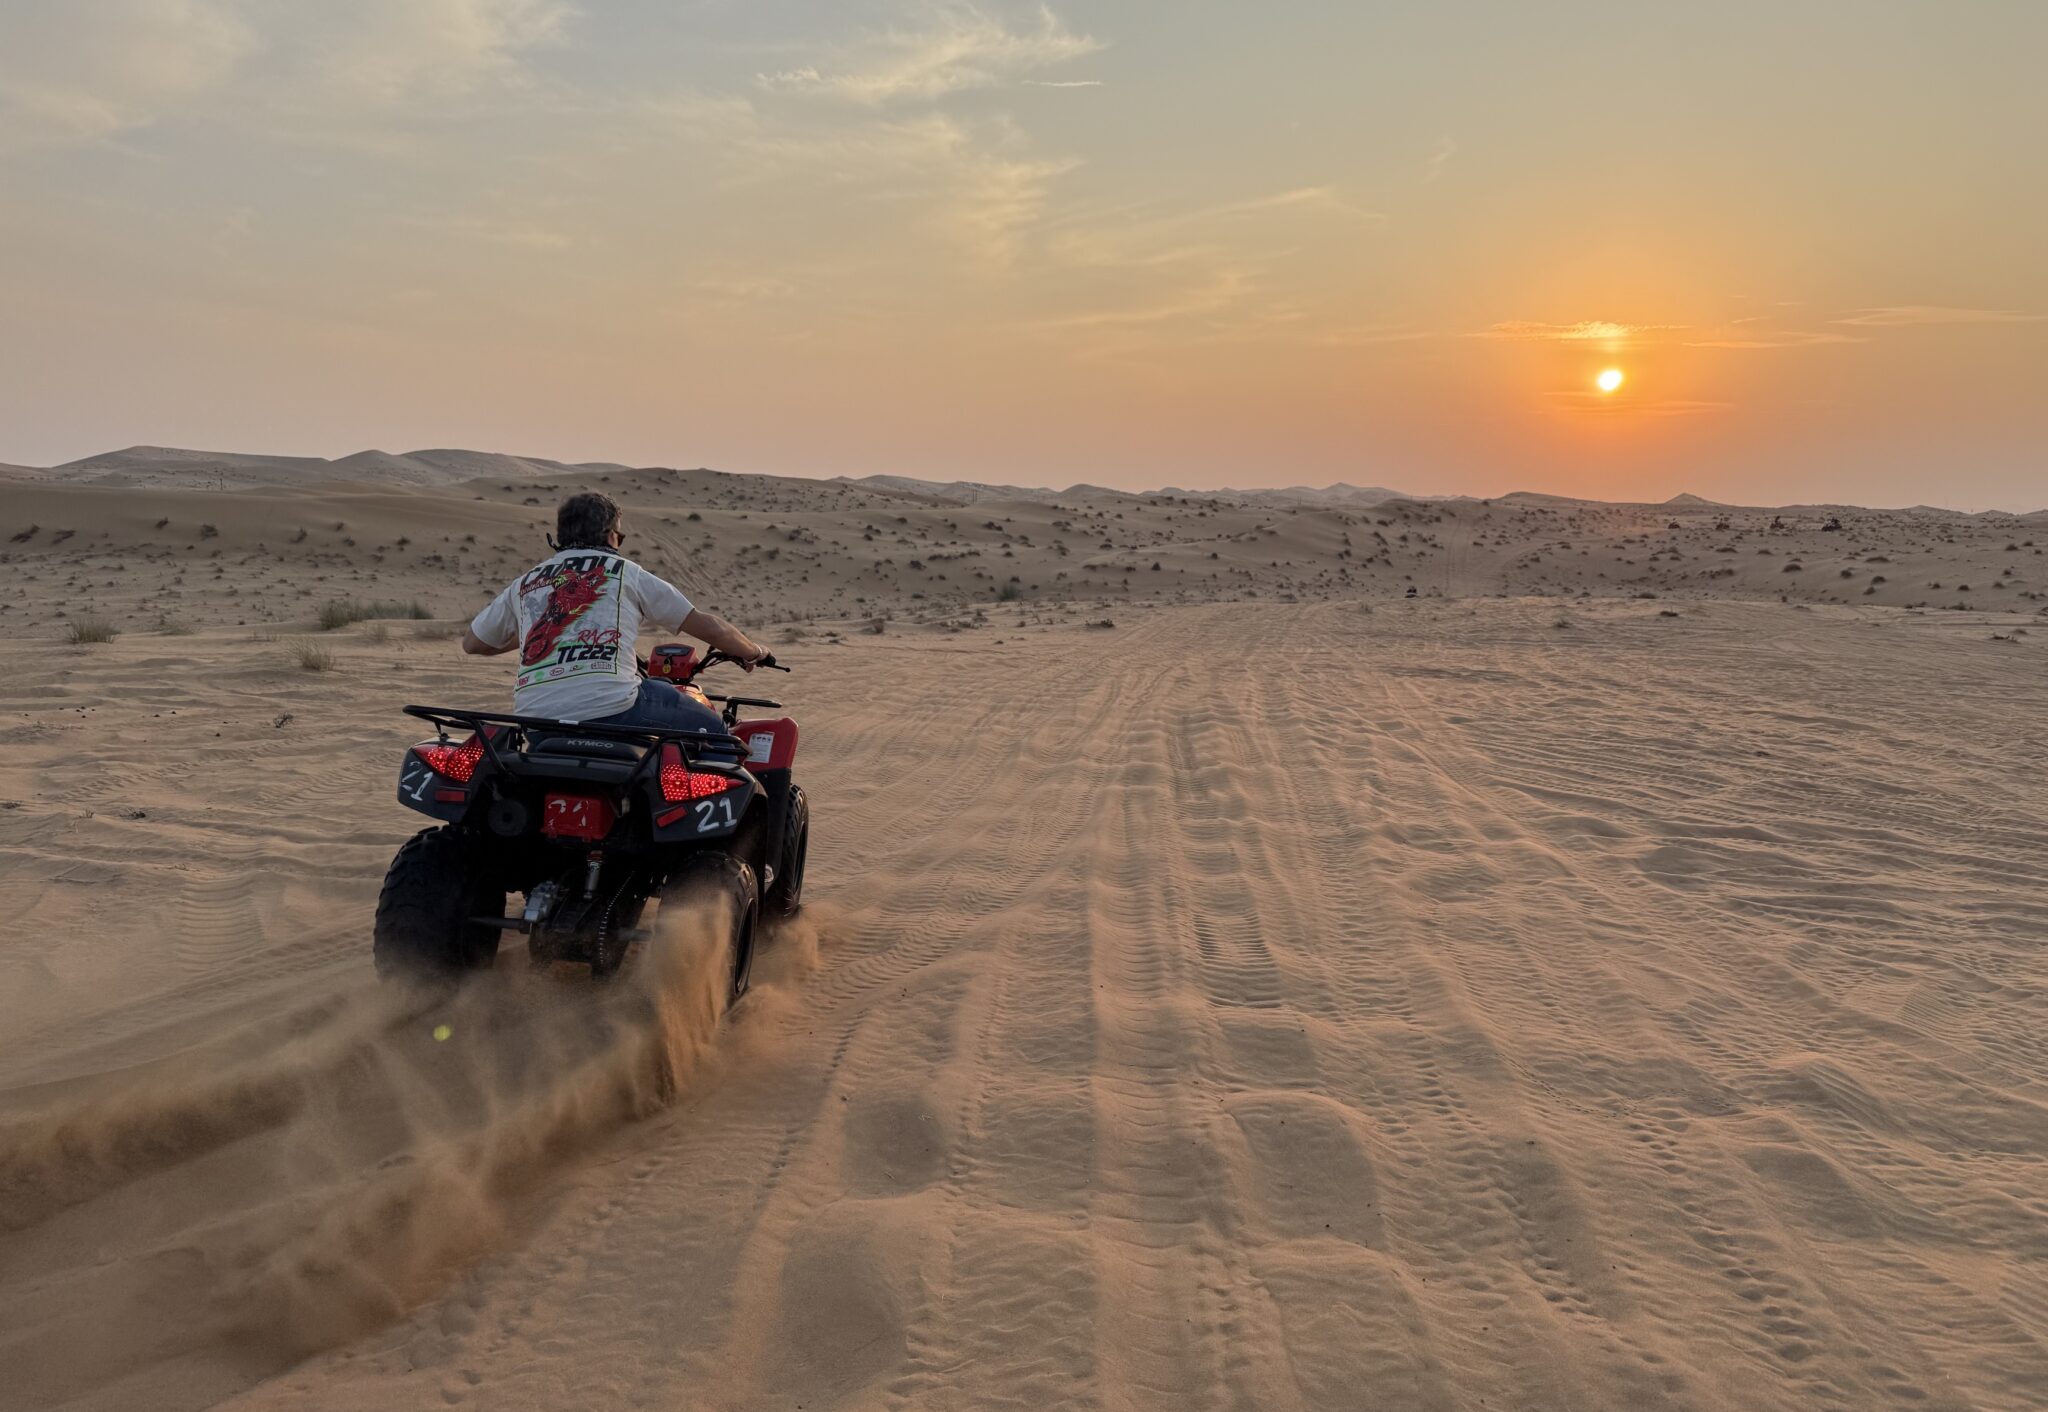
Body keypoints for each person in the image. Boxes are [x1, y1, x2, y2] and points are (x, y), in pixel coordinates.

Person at [462, 492, 766, 732]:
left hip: (536, 717)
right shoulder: (625, 573)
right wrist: (754, 651)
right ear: (610, 535)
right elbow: (712, 629)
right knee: (715, 730)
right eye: (619, 537)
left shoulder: (527, 581)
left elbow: (474, 643)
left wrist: (536, 633)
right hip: (613, 707)